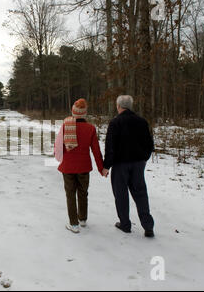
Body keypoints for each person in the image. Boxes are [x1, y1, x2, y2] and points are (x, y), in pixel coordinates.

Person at [102, 95, 155, 238]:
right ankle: (148, 226)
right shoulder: (142, 122)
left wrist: (106, 166)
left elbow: (110, 147)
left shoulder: (115, 123)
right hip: (138, 164)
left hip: (120, 165)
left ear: (119, 106)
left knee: (121, 194)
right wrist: (144, 158)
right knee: (141, 193)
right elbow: (150, 144)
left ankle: (125, 224)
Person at [55, 99, 104, 234]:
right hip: (83, 167)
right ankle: (82, 219)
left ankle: (74, 224)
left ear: (73, 112)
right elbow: (96, 150)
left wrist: (58, 157)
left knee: (70, 195)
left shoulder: (65, 125)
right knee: (83, 193)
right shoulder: (90, 128)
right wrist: (101, 168)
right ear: (85, 113)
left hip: (68, 167)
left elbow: (58, 146)